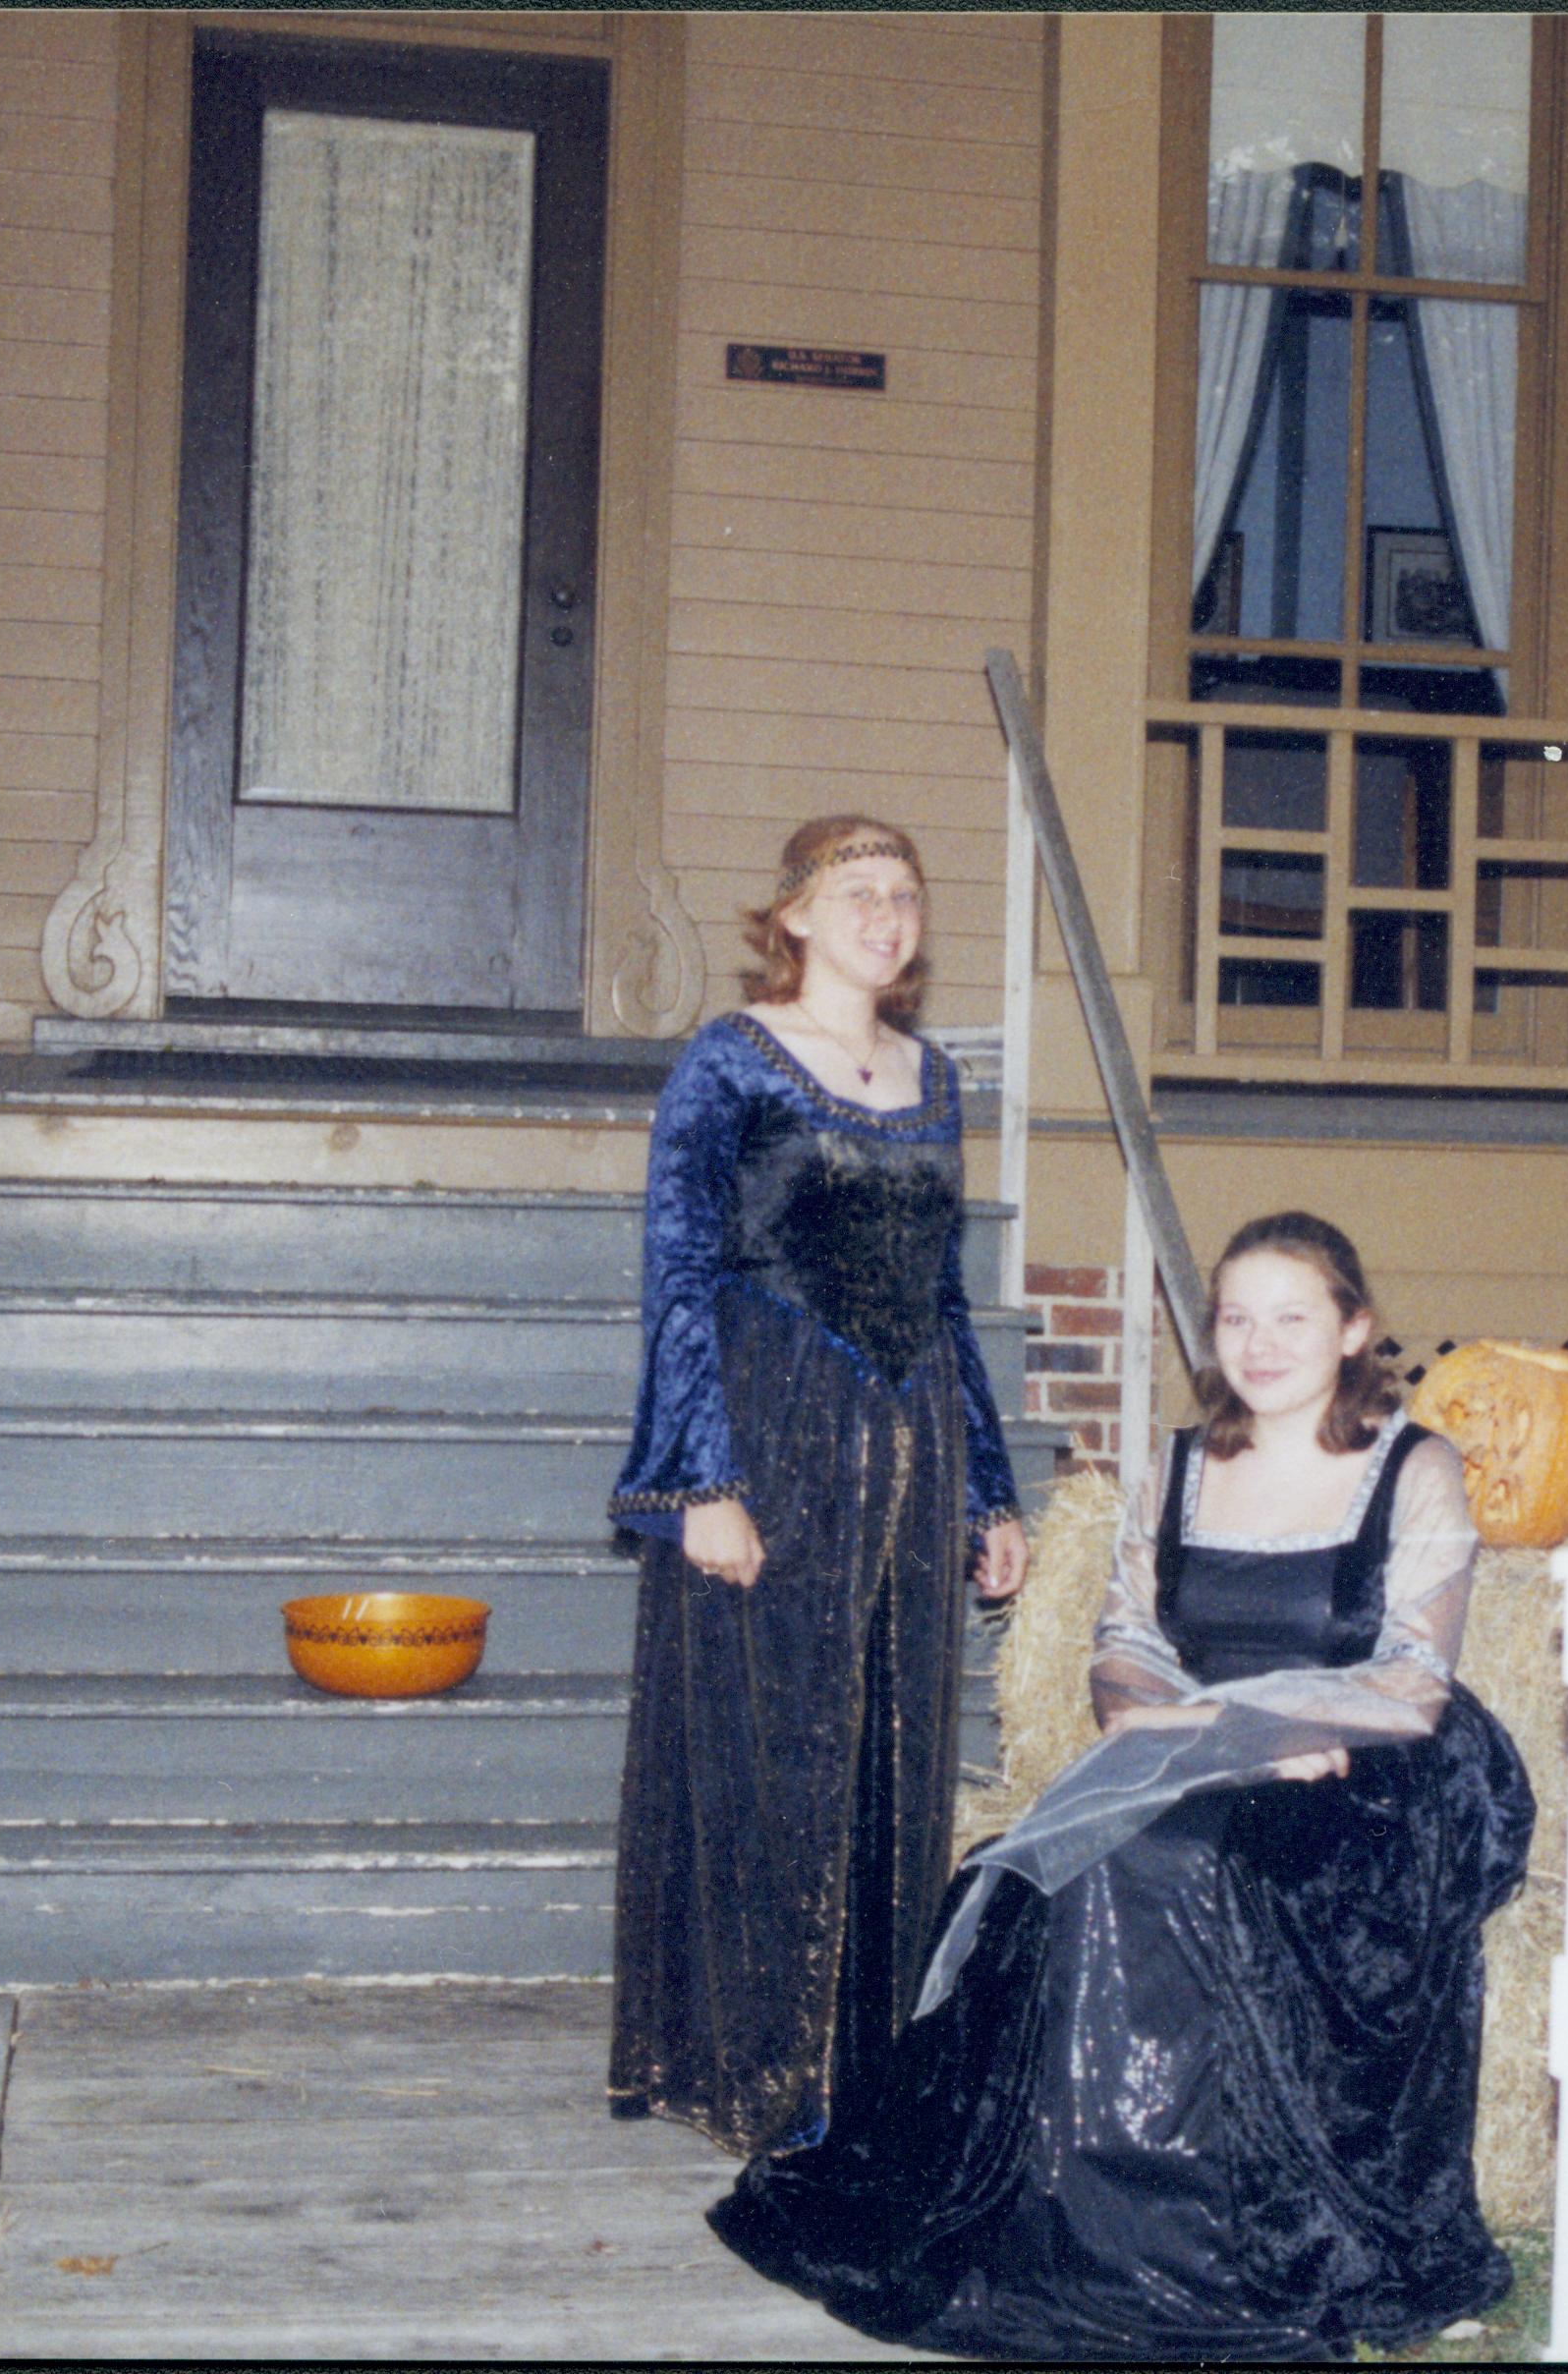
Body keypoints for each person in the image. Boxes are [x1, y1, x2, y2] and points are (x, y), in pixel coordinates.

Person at [707, 1212, 1536, 2361]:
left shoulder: (1413, 1466)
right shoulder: (1182, 1463)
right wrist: (1168, 1724)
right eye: (1235, 1316)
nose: (1257, 1341)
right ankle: (1084, 2229)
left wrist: (1257, 1728)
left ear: (1354, 1329)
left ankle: (1214, 2242)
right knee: (1062, 1863)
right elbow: (1128, 1641)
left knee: (1187, 1859)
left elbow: (1410, 1678)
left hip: (1367, 1763)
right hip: (1200, 1741)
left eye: (1291, 1316)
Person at [604, 814, 1030, 2158]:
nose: (883, 914)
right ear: (789, 916)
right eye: (856, 892)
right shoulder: (727, 1063)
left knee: (892, 1755)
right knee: (767, 1747)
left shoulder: (935, 1074)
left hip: (911, 1451)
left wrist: (989, 1496)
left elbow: (948, 1295)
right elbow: (677, 1273)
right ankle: (754, 2066)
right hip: (770, 1438)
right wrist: (699, 1482)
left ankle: (869, 2061)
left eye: (902, 893)